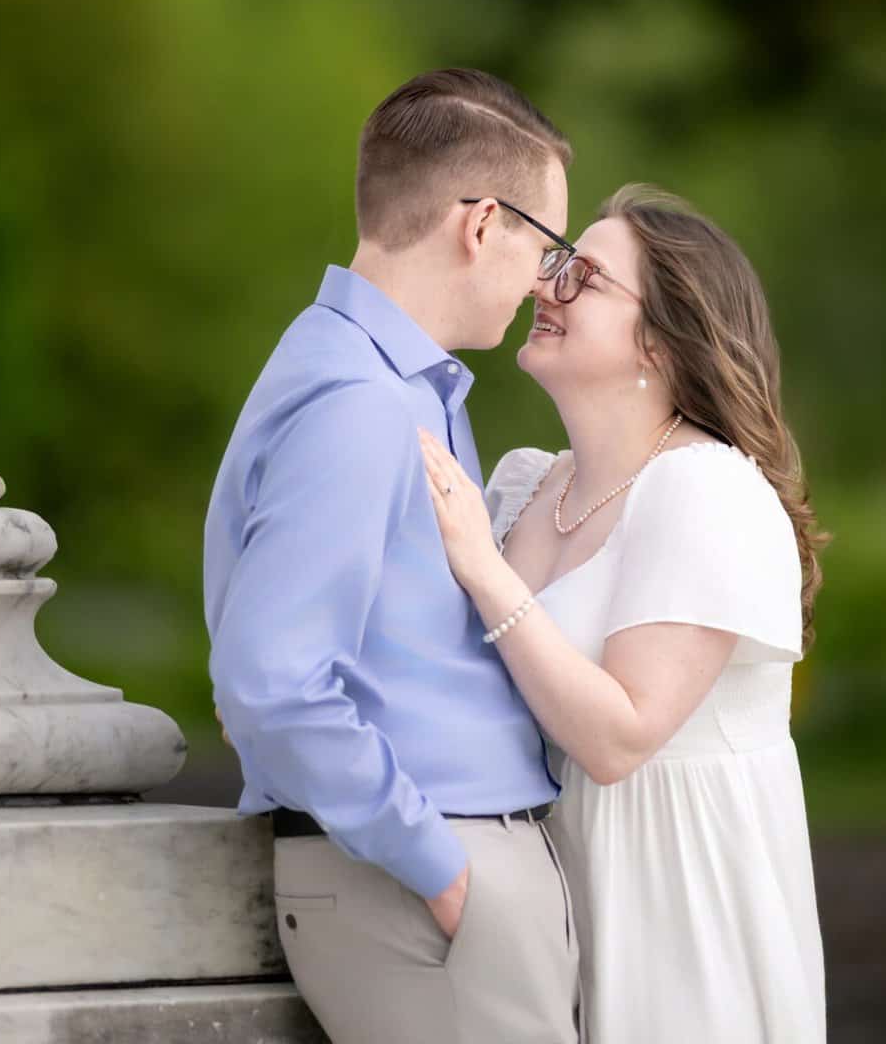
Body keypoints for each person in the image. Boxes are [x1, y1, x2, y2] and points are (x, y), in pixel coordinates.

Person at [205, 68, 581, 1043]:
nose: (546, 281)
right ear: (481, 224)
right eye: (547, 247)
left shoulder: (390, 383)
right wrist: (442, 873)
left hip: (430, 878)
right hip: (418, 882)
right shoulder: (360, 402)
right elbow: (271, 680)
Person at [417, 183, 830, 1042]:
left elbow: (619, 736)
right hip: (549, 887)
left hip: (678, 898)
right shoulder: (530, 485)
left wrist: (483, 571)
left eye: (584, 276)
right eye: (555, 264)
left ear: (663, 341)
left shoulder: (708, 491)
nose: (544, 286)